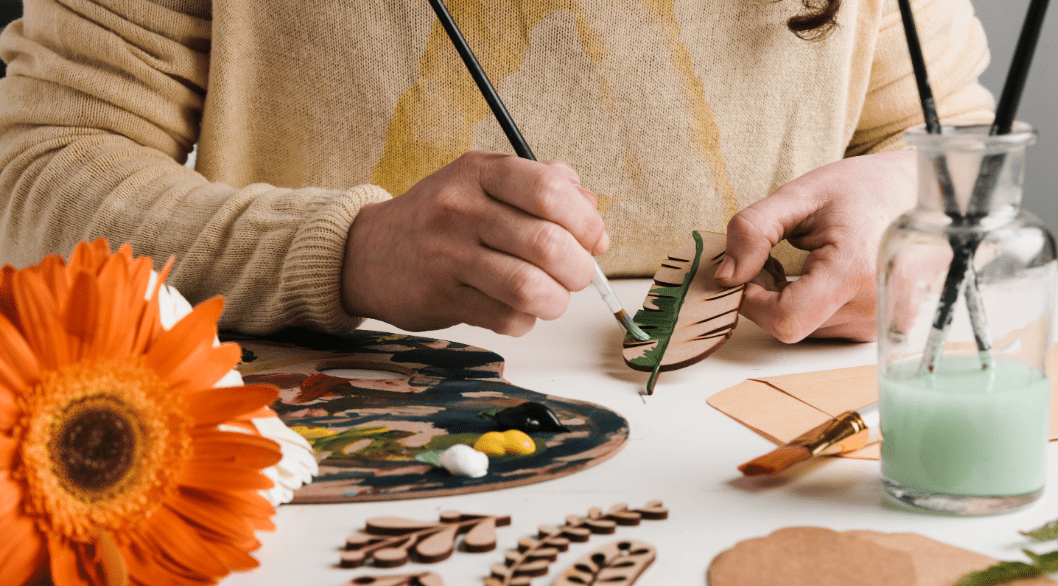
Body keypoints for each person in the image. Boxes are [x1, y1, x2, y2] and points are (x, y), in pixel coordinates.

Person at [0, 0, 994, 342]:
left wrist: (909, 209)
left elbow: (951, 150)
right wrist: (347, 252)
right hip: (334, 468)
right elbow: (36, 172)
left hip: (757, 466)